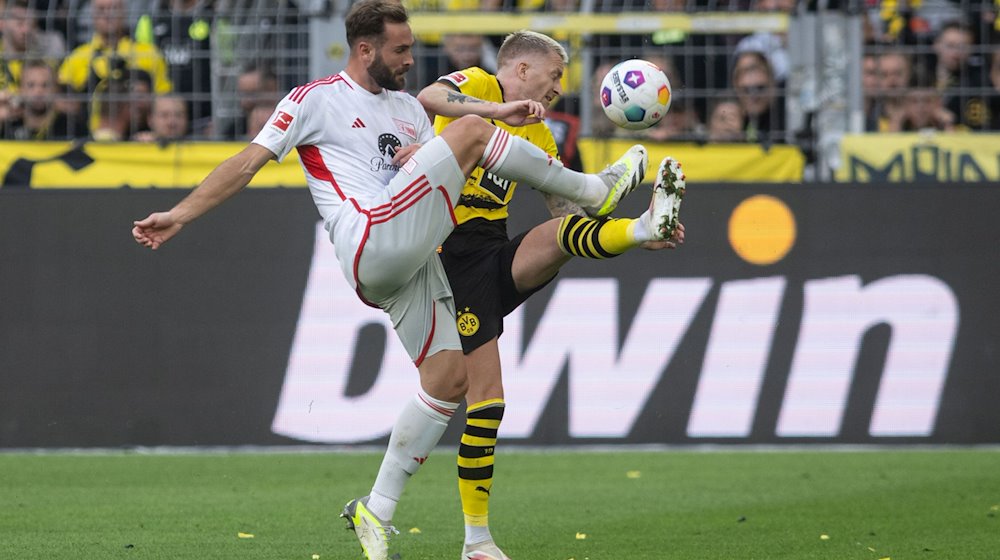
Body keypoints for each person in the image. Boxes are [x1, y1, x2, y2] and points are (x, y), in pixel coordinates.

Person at [131, 2, 649, 559]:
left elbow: (425, 157)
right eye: (400, 50)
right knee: (474, 129)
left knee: (449, 380)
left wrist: (425, 151)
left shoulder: (406, 109)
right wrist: (180, 214)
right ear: (365, 50)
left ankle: (374, 510)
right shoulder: (315, 99)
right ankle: (592, 190)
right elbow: (248, 162)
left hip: (413, 255)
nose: (410, 60)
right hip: (369, 233)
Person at [416, 30, 685, 560]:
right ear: (520, 72)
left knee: (562, 238)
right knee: (486, 402)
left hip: (493, 253)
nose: (561, 86)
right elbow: (429, 97)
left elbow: (565, 216)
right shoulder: (476, 84)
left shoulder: (541, 137)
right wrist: (499, 109)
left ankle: (640, 229)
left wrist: (623, 239)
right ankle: (476, 542)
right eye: (555, 75)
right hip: (450, 256)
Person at [58, 0, 172, 136]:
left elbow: (164, 99)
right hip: (88, 136)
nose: (108, 14)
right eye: (101, 9)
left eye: (114, 8)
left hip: (141, 137)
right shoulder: (77, 57)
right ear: (92, 15)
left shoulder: (149, 54)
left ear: (124, 12)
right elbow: (59, 100)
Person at [0, 59, 87, 140]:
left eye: (45, 85)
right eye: (31, 85)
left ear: (56, 89)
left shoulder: (71, 129)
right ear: (20, 89)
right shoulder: (7, 127)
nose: (38, 92)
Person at [0, 0, 66, 93]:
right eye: (20, 23)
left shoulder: (46, 62)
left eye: (30, 23)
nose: (26, 30)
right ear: (2, 23)